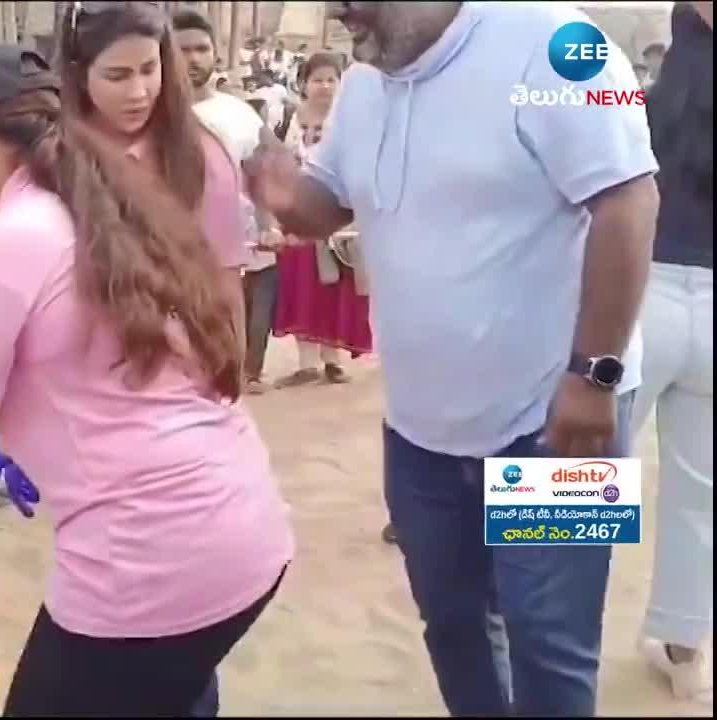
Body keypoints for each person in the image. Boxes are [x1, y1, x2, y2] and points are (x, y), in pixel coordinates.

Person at [0, 42, 292, 716]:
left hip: (147, 562)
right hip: (246, 529)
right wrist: (6, 450)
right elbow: (94, 373)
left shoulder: (3, 245)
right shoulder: (115, 208)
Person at [246, 2, 654, 716]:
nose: (337, 9)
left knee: (550, 646)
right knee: (454, 628)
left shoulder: (562, 47)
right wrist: (282, 192)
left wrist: (595, 376)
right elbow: (330, 204)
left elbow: (631, 199)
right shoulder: (367, 80)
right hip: (419, 438)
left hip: (557, 427)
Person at [60, 1, 248, 364]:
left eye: (149, 69)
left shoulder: (201, 158)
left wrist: (230, 371)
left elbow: (224, 281)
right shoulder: (53, 155)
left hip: (174, 371)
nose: (139, 92)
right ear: (79, 74)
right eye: (117, 76)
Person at [629, 0, 713, 702]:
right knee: (701, 491)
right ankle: (684, 648)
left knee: (579, 464)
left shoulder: (649, 98)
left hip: (644, 288)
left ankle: (548, 628)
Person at [173, 9, 287, 397]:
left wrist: (270, 225)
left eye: (201, 49)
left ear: (216, 54)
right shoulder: (147, 115)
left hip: (234, 257)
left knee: (228, 353)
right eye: (182, 49)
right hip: (168, 261)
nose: (193, 58)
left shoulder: (238, 114)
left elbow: (261, 174)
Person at [272, 52, 371, 387]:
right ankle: (307, 362)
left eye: (331, 79)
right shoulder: (286, 117)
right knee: (302, 286)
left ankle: (333, 359)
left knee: (336, 286)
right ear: (304, 83)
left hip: (339, 216)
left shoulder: (352, 122)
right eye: (317, 80)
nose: (325, 86)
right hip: (298, 213)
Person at [253, 69, 294, 140]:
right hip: (265, 123)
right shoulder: (258, 92)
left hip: (278, 122)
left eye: (262, 77)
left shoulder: (280, 88)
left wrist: (287, 121)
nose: (260, 79)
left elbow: (287, 103)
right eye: (260, 77)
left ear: (268, 77)